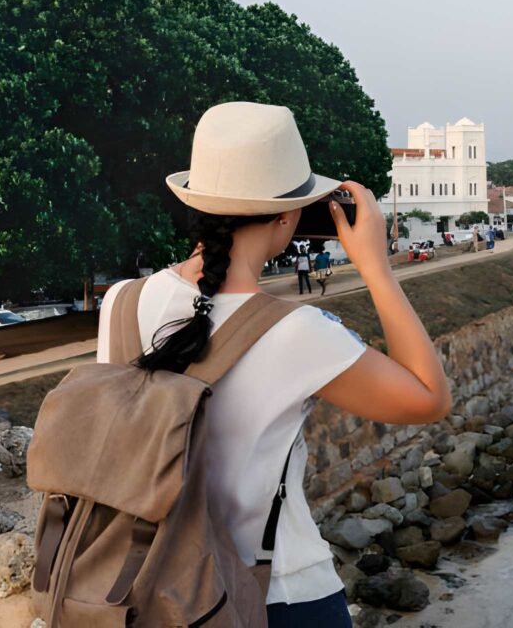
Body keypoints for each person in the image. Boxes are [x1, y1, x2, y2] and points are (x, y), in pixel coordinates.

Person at [97, 102, 451, 627]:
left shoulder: (122, 301)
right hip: (276, 593)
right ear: (286, 216)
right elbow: (430, 398)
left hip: (148, 589)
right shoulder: (298, 332)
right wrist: (375, 267)